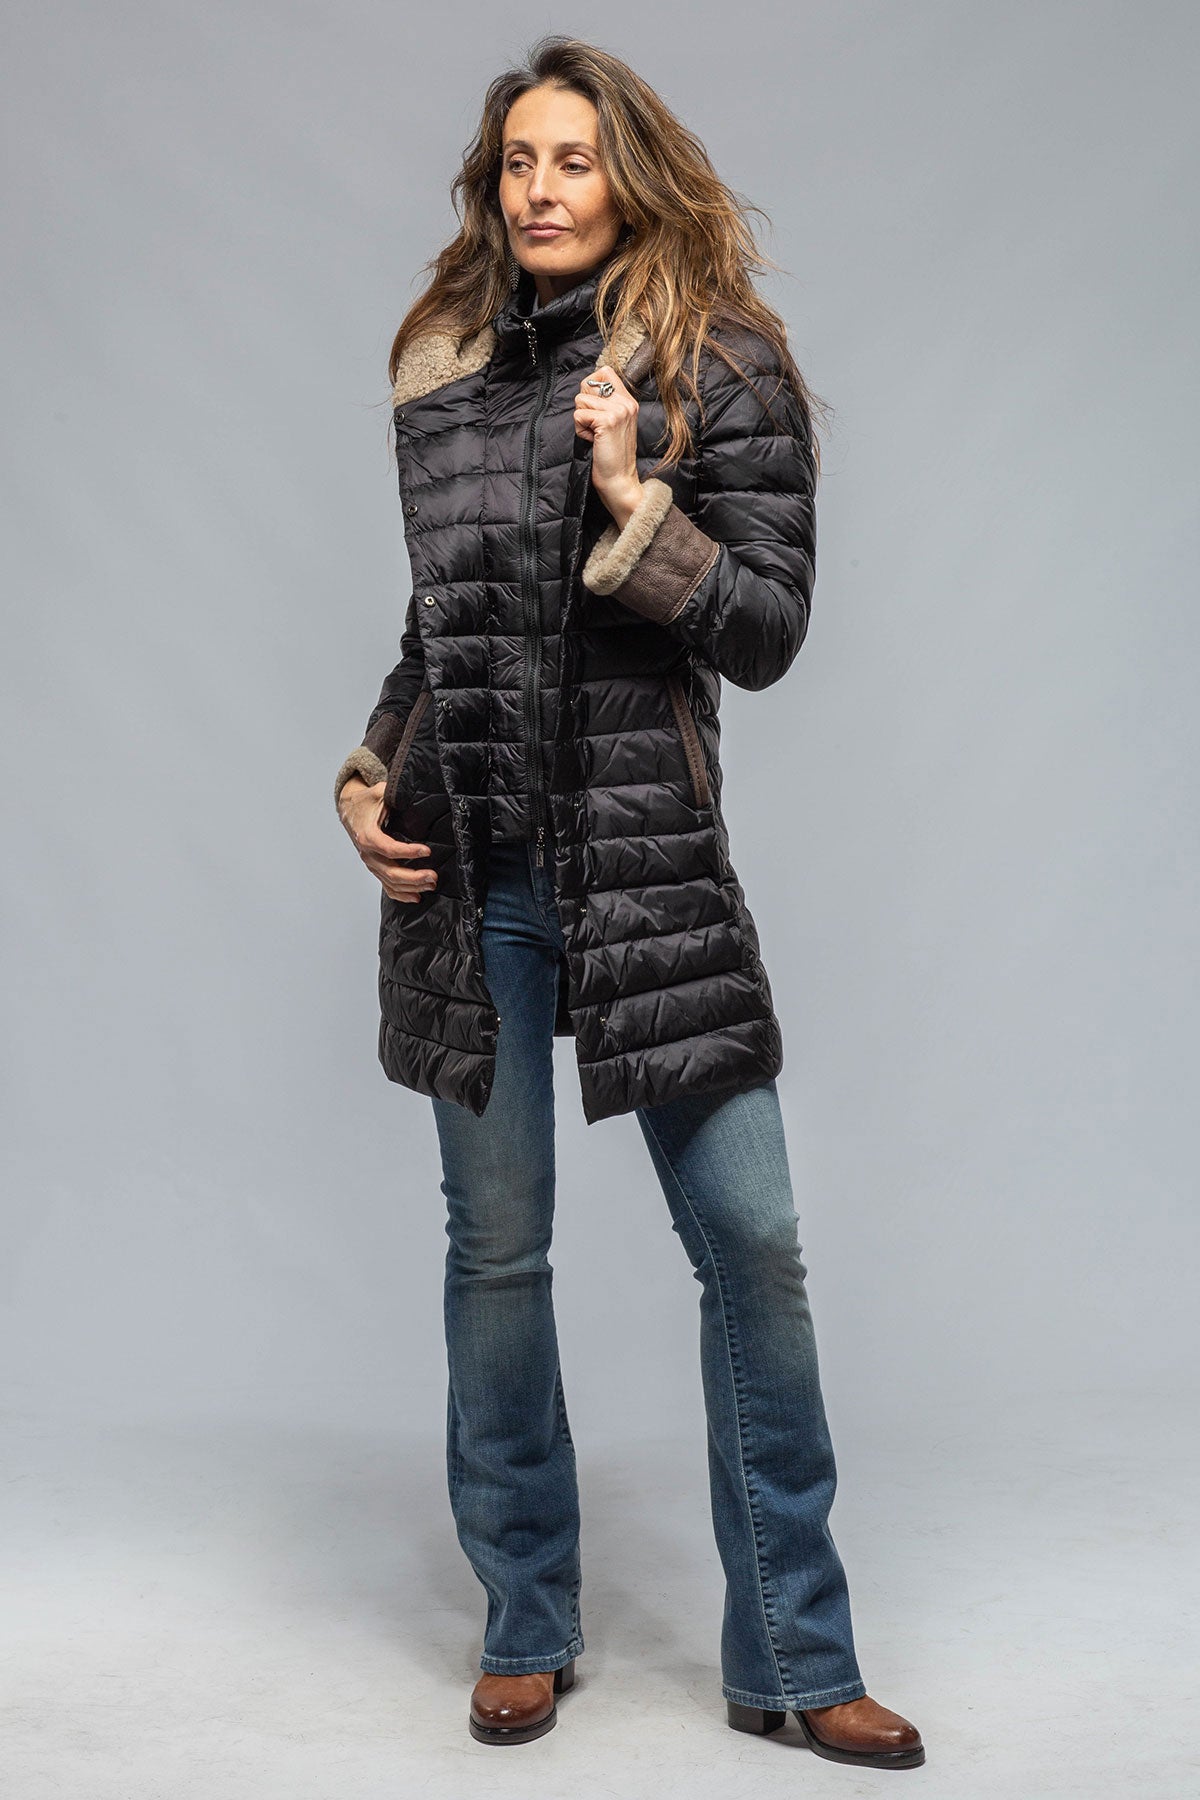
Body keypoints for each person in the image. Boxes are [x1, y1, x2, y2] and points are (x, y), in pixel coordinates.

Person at [333, 34, 924, 1769]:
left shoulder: (717, 362)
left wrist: (633, 505)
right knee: (497, 1254)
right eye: (518, 161)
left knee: (755, 1245)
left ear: (630, 175)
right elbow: (437, 630)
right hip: (472, 874)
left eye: (574, 159)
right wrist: (367, 771)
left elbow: (769, 627)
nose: (541, 189)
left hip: (645, 873)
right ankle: (525, 1620)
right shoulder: (451, 372)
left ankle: (797, 1657)